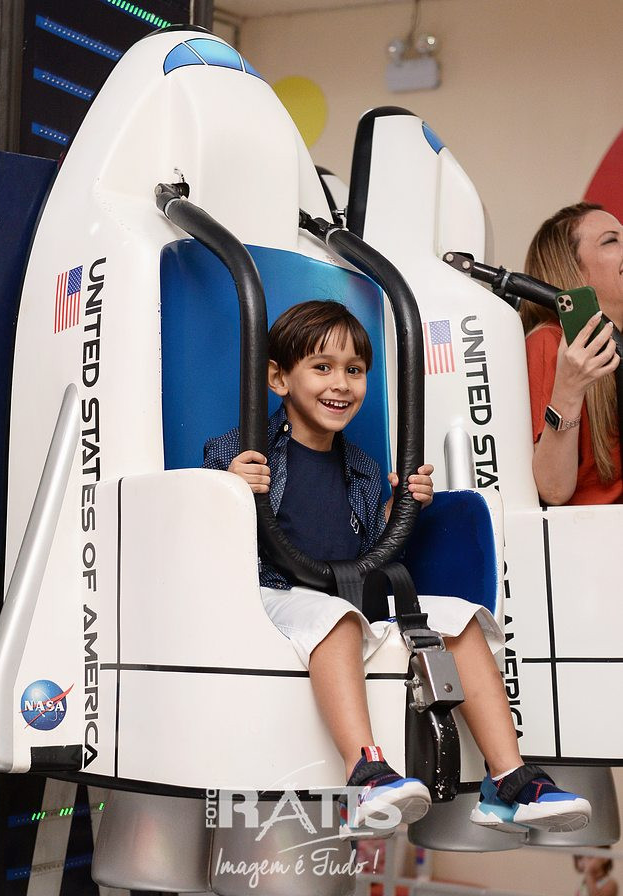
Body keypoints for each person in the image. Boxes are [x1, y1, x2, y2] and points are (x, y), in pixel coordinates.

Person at [204, 299, 591, 836]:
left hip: (349, 594)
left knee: (459, 618)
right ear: (278, 379)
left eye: (354, 370)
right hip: (277, 596)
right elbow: (204, 536)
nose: (341, 384)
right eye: (322, 367)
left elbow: (370, 547)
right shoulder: (240, 451)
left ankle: (507, 780)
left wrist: (400, 510)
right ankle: (365, 771)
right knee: (336, 618)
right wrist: (226, 489)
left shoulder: (363, 469)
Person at [521, 202, 622, 505]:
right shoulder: (548, 342)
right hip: (591, 529)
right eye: (611, 240)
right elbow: (553, 490)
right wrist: (569, 388)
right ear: (573, 270)